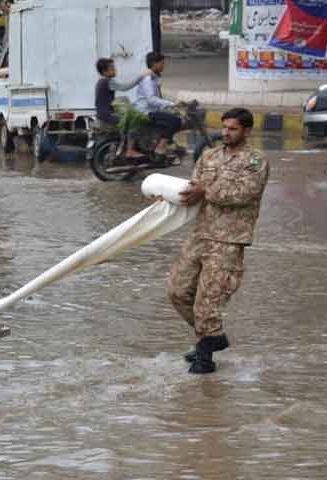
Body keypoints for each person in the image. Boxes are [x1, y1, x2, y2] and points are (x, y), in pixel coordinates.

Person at [167, 108, 270, 374]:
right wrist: (168, 197)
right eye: (224, 127)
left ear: (247, 131)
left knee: (208, 300)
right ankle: (211, 337)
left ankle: (205, 358)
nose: (226, 133)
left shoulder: (256, 161)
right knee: (177, 291)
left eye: (233, 128)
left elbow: (245, 193)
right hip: (200, 233)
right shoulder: (209, 155)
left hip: (229, 239)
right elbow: (193, 190)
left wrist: (206, 190)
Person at [94, 58, 151, 159]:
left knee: (120, 129)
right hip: (107, 115)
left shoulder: (101, 82)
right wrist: (141, 77)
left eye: (114, 67)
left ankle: (115, 152)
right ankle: (130, 150)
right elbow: (125, 87)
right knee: (134, 121)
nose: (115, 70)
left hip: (103, 114)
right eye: (112, 68)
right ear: (104, 71)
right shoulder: (108, 82)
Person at [135, 52, 183, 160]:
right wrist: (172, 104)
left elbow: (158, 97)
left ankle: (166, 144)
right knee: (175, 121)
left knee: (172, 116)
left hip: (152, 110)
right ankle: (160, 148)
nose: (163, 66)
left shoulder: (154, 78)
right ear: (153, 64)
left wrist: (173, 104)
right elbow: (151, 100)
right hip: (146, 112)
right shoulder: (148, 80)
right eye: (161, 63)